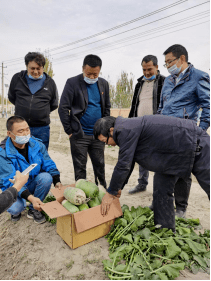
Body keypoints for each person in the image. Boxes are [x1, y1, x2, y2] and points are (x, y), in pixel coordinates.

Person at [93, 116, 210, 231]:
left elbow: (123, 164)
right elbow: (129, 161)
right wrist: (119, 187)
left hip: (195, 142)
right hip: (171, 156)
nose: (108, 145)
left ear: (112, 131)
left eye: (106, 141)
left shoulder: (125, 130)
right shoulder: (125, 129)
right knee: (161, 188)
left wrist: (110, 192)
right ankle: (165, 231)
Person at [157, 44, 210, 218]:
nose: (168, 66)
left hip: (185, 133)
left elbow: (207, 107)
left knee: (183, 172)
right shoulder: (168, 80)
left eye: (169, 61)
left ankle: (180, 208)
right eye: (166, 63)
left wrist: (199, 133)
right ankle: (160, 203)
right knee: (162, 169)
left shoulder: (199, 77)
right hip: (165, 133)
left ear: (182, 59)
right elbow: (161, 106)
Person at [59, 54, 111, 189]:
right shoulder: (72, 83)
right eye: (89, 74)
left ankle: (102, 190)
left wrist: (105, 129)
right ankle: (81, 194)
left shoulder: (104, 84)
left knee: (100, 165)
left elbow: (107, 108)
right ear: (83, 68)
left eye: (95, 74)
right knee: (80, 167)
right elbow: (63, 108)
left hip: (98, 135)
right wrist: (69, 131)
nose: (92, 77)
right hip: (79, 134)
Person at [0, 116, 63, 223]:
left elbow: (48, 162)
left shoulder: (37, 144)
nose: (25, 133)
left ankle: (33, 210)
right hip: (15, 187)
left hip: (32, 181)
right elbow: (10, 180)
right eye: (20, 131)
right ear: (9, 133)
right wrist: (30, 197)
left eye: (27, 129)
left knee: (46, 178)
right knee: (16, 208)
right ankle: (17, 210)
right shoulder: (3, 153)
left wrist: (57, 180)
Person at [128, 55, 165, 194]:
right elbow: (134, 105)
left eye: (149, 69)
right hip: (140, 126)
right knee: (142, 155)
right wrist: (131, 122)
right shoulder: (139, 83)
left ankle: (159, 188)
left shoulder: (164, 82)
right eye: (144, 69)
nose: (147, 72)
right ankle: (142, 183)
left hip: (157, 126)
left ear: (156, 67)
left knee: (158, 157)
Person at [8, 52, 59, 150]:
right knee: (19, 156)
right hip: (19, 127)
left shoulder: (50, 83)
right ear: (27, 66)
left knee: (40, 157)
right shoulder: (17, 78)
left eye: (38, 68)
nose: (35, 72)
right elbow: (12, 97)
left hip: (41, 129)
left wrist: (41, 112)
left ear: (43, 68)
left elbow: (54, 103)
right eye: (32, 68)